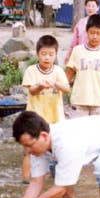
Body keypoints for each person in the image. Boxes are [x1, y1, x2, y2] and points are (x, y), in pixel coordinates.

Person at [21, 35, 71, 181]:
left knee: (56, 151)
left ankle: (57, 180)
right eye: (43, 54)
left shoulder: (58, 71)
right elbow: (31, 90)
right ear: (37, 54)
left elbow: (67, 88)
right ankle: (25, 181)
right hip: (35, 118)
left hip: (55, 118)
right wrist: (41, 85)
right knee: (29, 150)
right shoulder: (31, 70)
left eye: (50, 54)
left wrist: (56, 84)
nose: (47, 58)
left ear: (55, 55)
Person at [65, 14, 100, 118]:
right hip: (79, 101)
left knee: (99, 133)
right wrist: (59, 92)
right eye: (92, 33)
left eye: (98, 33)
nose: (95, 36)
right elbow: (69, 74)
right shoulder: (77, 51)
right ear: (87, 32)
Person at [65, 0, 100, 64]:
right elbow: (74, 42)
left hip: (98, 57)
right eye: (88, 6)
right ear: (85, 7)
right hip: (82, 56)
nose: (90, 8)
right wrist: (69, 56)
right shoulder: (80, 23)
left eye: (93, 6)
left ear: (98, 8)